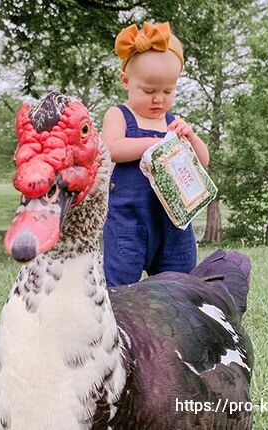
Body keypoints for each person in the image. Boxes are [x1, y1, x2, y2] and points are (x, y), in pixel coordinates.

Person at [102, 21, 210, 288]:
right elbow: (112, 148)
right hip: (128, 224)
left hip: (174, 227)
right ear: (126, 81)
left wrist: (191, 138)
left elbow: (203, 163)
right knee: (119, 287)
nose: (158, 99)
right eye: (149, 91)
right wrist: (157, 142)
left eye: (167, 91)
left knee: (180, 288)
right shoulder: (119, 115)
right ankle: (119, 327)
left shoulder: (173, 123)